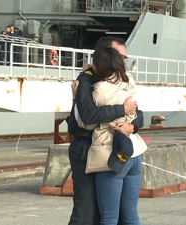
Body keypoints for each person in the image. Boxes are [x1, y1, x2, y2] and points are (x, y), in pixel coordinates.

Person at [67, 36, 144, 225]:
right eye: (121, 57)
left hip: (104, 148)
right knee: (86, 211)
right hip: (86, 149)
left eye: (125, 58)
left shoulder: (117, 80)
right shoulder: (87, 79)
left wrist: (132, 126)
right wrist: (123, 111)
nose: (124, 61)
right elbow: (87, 117)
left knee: (110, 215)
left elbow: (138, 112)